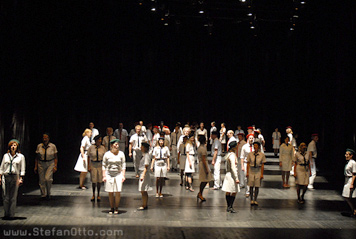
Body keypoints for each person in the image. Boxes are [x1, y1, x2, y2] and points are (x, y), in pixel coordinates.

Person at [0, 139, 26, 220]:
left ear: (17, 147)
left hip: (15, 176)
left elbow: (22, 168)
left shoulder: (21, 157)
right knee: (5, 195)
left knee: (13, 196)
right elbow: (2, 167)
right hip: (6, 176)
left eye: (14, 145)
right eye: (11, 145)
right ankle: (6, 213)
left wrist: (21, 178)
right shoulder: (5, 156)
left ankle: (11, 214)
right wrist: (0, 177)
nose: (13, 147)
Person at [102, 139, 126, 214]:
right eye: (115, 144)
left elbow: (123, 165)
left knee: (118, 191)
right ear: (111, 145)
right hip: (109, 174)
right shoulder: (107, 154)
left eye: (118, 144)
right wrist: (104, 176)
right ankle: (111, 207)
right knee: (110, 192)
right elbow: (103, 165)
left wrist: (123, 175)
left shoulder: (121, 154)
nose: (117, 146)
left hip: (118, 174)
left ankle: (116, 208)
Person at [34, 133, 58, 200]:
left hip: (50, 163)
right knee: (42, 180)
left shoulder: (52, 146)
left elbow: (56, 157)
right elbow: (36, 157)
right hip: (41, 163)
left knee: (48, 178)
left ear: (48, 138)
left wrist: (55, 166)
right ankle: (43, 194)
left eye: (46, 138)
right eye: (44, 138)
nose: (45, 139)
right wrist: (35, 166)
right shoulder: (39, 146)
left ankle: (48, 192)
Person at [222, 141, 240, 213]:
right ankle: (230, 206)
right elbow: (233, 167)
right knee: (234, 191)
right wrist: (236, 178)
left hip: (228, 174)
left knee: (228, 191)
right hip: (231, 175)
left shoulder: (228, 154)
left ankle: (229, 206)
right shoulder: (232, 155)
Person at [246, 141, 266, 206]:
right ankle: (251, 199)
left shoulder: (261, 155)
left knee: (257, 185)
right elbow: (248, 163)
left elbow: (262, 165)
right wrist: (247, 172)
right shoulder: (250, 154)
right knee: (251, 185)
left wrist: (262, 174)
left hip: (258, 170)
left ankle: (255, 199)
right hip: (251, 170)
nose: (255, 147)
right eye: (254, 146)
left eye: (256, 146)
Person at [88, 135, 105, 202]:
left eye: (100, 140)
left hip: (100, 164)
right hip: (93, 164)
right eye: (99, 140)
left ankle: (98, 194)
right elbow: (88, 156)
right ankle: (93, 194)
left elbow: (105, 157)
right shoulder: (91, 147)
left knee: (99, 180)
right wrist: (88, 166)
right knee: (94, 180)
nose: (100, 141)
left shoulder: (103, 148)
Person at [197, 136, 213, 201]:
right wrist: (206, 168)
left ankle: (200, 193)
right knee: (204, 179)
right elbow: (203, 159)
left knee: (205, 180)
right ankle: (200, 193)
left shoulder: (200, 147)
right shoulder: (202, 148)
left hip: (203, 163)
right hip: (203, 164)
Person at [342, 148, 356, 217]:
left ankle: (354, 210)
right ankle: (353, 210)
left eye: (347, 154)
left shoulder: (353, 163)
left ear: (351, 155)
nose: (346, 155)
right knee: (346, 196)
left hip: (350, 180)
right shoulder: (348, 162)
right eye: (346, 154)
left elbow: (354, 174)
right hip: (346, 179)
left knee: (348, 196)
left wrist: (352, 184)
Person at [137, 142, 152, 210]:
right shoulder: (144, 155)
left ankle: (144, 204)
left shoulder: (146, 156)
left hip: (144, 173)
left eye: (142, 146)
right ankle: (144, 204)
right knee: (143, 190)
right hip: (142, 172)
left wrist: (143, 175)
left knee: (143, 190)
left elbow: (146, 166)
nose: (141, 148)